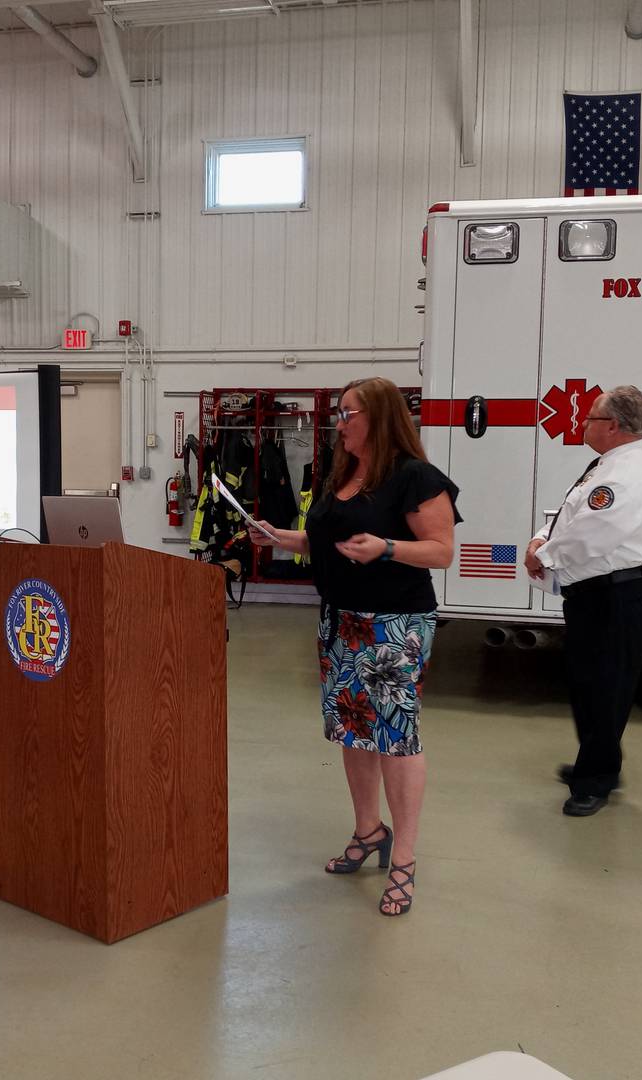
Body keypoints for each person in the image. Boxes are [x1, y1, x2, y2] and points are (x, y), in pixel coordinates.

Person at [252, 377, 460, 916]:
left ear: (380, 418)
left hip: (394, 626)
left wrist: (388, 548)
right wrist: (283, 538)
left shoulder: (415, 477)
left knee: (396, 739)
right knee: (353, 729)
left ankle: (405, 859)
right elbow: (328, 541)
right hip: (342, 622)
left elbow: (441, 551)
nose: (339, 423)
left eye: (349, 415)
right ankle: (369, 830)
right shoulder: (345, 473)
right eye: (339, 414)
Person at [524, 385, 642, 817]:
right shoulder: (608, 465)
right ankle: (599, 763)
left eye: (590, 419)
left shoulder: (625, 473)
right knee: (589, 685)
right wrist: (543, 538)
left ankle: (595, 782)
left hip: (614, 595)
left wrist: (544, 556)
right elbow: (573, 514)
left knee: (605, 689)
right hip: (595, 595)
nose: (583, 424)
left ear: (613, 426)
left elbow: (595, 532)